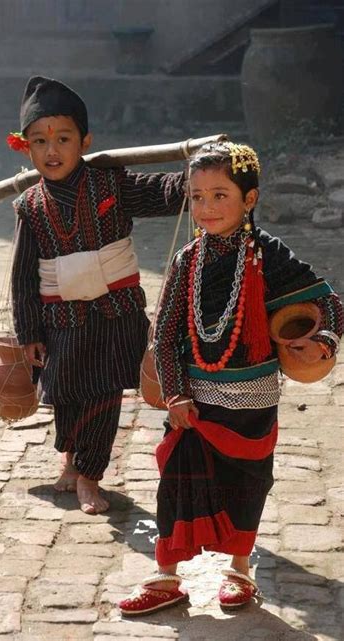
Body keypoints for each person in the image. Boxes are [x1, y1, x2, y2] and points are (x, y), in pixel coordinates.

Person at [119, 141, 343, 614]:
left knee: (247, 483)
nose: (207, 207)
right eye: (197, 196)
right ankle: (166, 576)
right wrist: (176, 393)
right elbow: (169, 334)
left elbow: (332, 304)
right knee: (177, 482)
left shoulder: (269, 256)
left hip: (253, 401)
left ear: (250, 199)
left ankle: (239, 570)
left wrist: (323, 338)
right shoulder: (187, 261)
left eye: (220, 195)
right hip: (194, 402)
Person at [9, 76, 186, 515]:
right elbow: (22, 276)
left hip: (114, 314)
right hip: (60, 318)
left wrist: (196, 180)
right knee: (65, 392)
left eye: (63, 139)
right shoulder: (29, 206)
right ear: (24, 148)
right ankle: (70, 460)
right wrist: (28, 331)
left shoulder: (111, 184)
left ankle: (90, 475)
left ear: (84, 141)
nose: (52, 151)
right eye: (40, 142)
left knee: (102, 394)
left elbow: (162, 192)